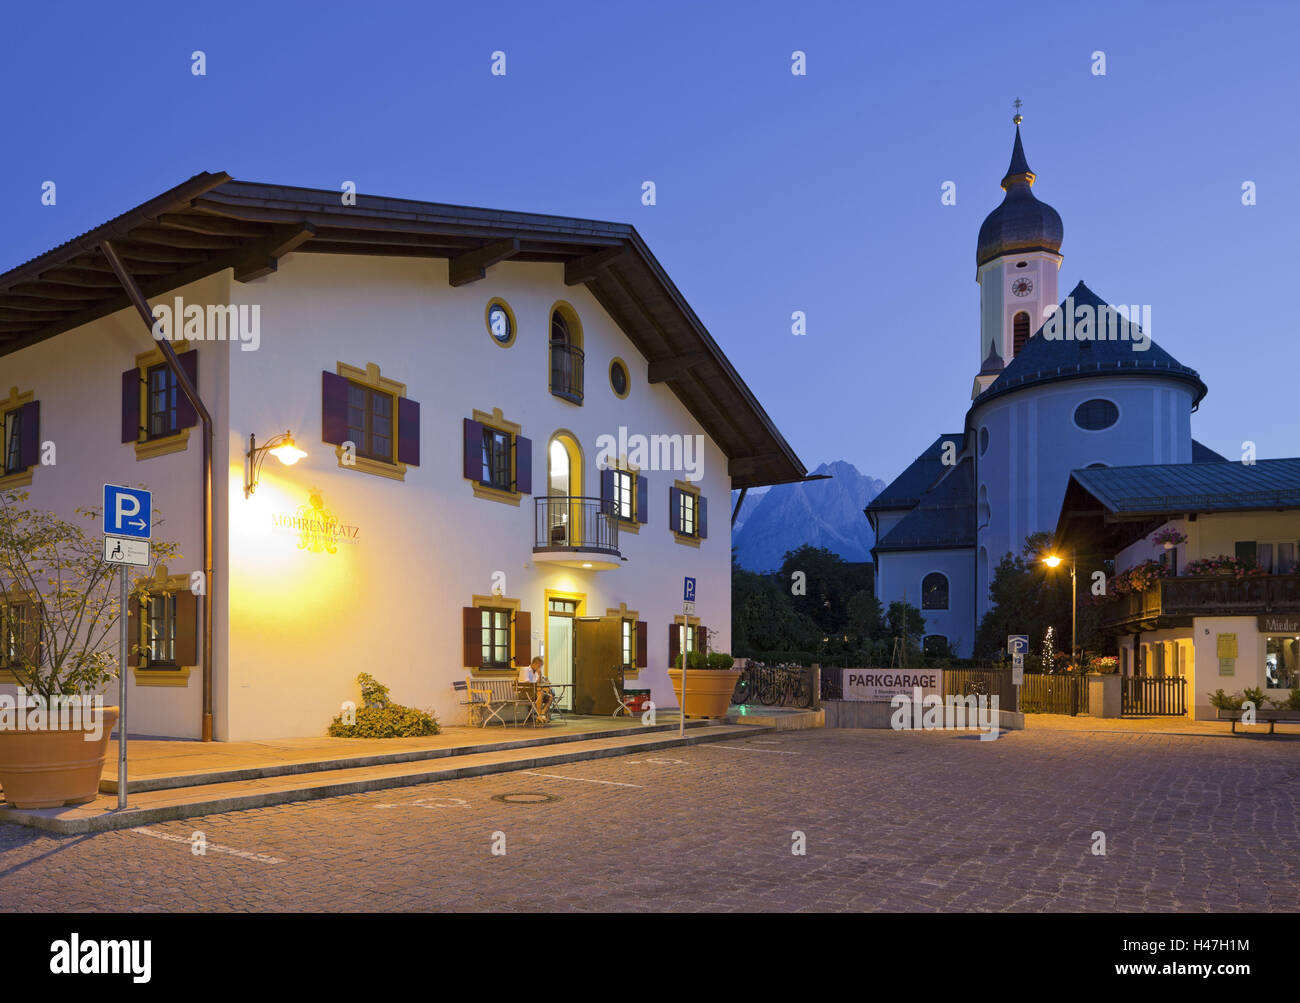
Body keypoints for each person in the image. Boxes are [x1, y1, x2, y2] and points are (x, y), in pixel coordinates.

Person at [521, 656, 554, 723]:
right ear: (534, 664)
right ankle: (539, 716)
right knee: (540, 693)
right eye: (539, 666)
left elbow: (538, 683)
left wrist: (540, 675)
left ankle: (542, 714)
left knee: (550, 697)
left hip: (535, 692)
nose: (540, 668)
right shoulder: (525, 670)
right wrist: (537, 686)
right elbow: (527, 683)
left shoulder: (536, 672)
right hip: (525, 693)